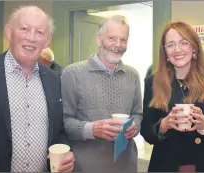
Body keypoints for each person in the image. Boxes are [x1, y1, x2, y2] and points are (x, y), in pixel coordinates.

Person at [0, 6, 75, 172]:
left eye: (40, 32)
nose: (32, 38)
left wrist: (66, 151)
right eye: (24, 29)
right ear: (9, 32)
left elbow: (59, 131)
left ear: (47, 41)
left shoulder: (54, 80)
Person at [140, 21, 204, 172]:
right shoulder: (153, 81)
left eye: (184, 43)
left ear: (194, 47)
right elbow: (146, 130)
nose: (177, 49)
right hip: (167, 165)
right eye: (170, 45)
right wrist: (163, 125)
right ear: (165, 52)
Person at [61, 15, 143, 173]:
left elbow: (137, 114)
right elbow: (64, 122)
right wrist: (91, 129)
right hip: (85, 167)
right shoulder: (72, 73)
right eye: (111, 38)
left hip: (126, 165)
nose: (118, 45)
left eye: (123, 39)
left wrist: (135, 126)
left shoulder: (133, 75)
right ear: (98, 39)